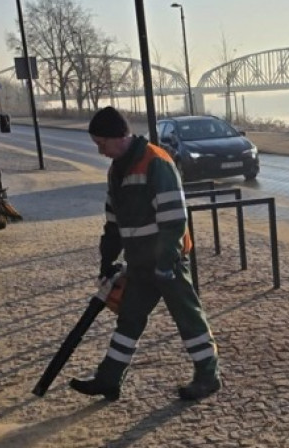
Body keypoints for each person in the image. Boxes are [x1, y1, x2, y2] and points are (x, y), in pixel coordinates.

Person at [69, 106, 222, 401]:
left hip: (167, 261)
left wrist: (165, 262)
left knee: (188, 317)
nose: (100, 151)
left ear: (120, 136)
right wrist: (107, 259)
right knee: (129, 319)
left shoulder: (156, 162)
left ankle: (208, 376)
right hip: (139, 264)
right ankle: (109, 379)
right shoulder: (117, 170)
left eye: (102, 144)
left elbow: (175, 218)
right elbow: (113, 223)